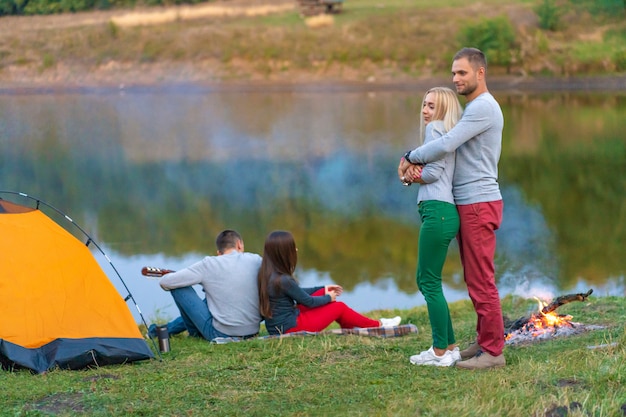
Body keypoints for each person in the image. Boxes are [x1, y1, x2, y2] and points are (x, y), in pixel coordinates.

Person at [398, 47, 505, 370]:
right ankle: (485, 341)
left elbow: (445, 145)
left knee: (481, 279)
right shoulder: (475, 108)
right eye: (454, 73)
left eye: (462, 72)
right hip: (468, 202)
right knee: (474, 278)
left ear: (480, 73)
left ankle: (494, 353)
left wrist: (410, 156)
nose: (456, 78)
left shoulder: (483, 107)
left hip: (477, 201)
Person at [399, 87, 463, 367]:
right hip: (442, 213)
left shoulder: (436, 130)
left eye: (432, 106)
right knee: (430, 280)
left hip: (437, 212)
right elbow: (431, 170)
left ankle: (439, 351)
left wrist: (412, 173)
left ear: (444, 110)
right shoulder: (445, 133)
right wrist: (412, 173)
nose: (426, 111)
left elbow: (433, 172)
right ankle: (450, 346)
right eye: (424, 105)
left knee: (427, 281)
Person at [257, 230, 401, 335]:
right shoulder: (284, 280)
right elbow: (308, 301)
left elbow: (298, 292)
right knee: (339, 307)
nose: (296, 250)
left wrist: (323, 289)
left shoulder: (269, 274)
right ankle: (378, 326)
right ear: (284, 253)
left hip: (280, 325)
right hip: (290, 327)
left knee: (325, 296)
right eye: (292, 247)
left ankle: (350, 329)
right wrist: (328, 298)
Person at [151, 229, 262, 341]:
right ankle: (163, 330)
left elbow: (165, 282)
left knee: (178, 287)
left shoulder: (209, 264)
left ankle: (195, 333)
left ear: (219, 253)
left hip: (219, 334)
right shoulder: (256, 260)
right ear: (239, 244)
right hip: (253, 331)